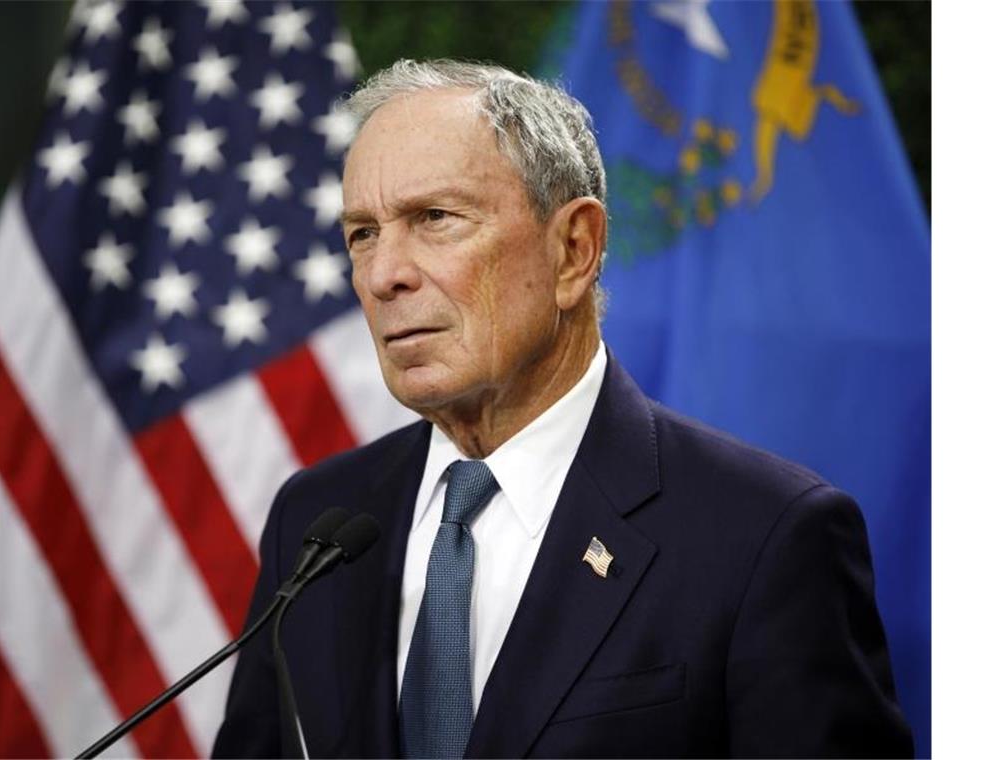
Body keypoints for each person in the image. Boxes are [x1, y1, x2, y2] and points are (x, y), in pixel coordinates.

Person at [213, 59, 912, 759]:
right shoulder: (316, 523)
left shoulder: (765, 535)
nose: (383, 274)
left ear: (574, 250)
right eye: (363, 233)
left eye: (435, 218)